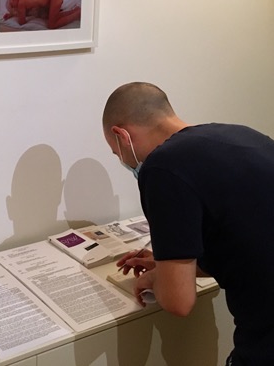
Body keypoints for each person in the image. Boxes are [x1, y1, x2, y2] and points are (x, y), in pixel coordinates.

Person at [102, 81, 274, 365]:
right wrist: (168, 264)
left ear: (122, 135)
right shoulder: (243, 135)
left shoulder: (161, 168)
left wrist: (157, 279)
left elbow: (178, 302)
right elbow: (242, 245)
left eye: (116, 152)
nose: (123, 161)